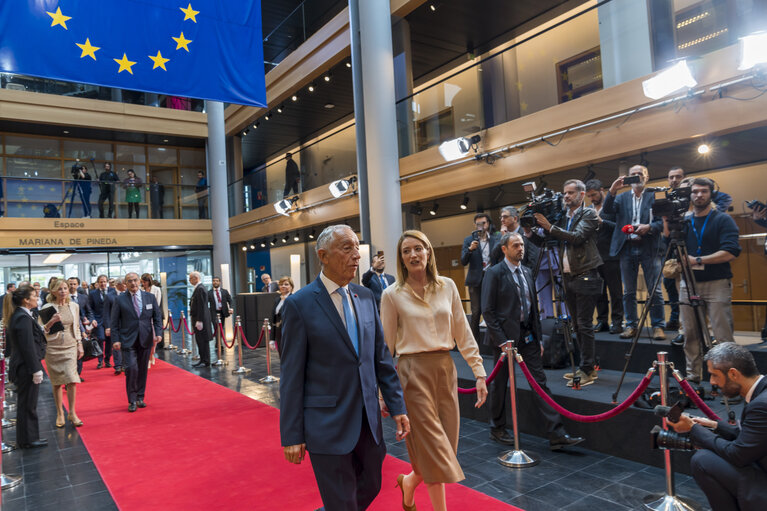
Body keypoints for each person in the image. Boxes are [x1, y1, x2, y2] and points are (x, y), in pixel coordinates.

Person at [280, 225, 409, 511]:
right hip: (326, 423)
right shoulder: (299, 305)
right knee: (342, 502)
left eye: (356, 248)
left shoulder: (365, 297)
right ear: (323, 256)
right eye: (346, 248)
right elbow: (291, 376)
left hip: (368, 420)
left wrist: (398, 407)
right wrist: (292, 435)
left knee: (372, 483)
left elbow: (381, 359)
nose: (356, 256)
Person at [380, 229, 486, 511]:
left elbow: (463, 333)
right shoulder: (391, 295)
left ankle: (410, 482)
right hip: (411, 373)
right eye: (406, 251)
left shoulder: (448, 286)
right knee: (436, 451)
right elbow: (385, 348)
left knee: (446, 448)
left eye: (418, 248)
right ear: (401, 259)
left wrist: (479, 372)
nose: (413, 254)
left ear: (428, 252)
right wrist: (382, 392)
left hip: (445, 370)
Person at [482, 232, 585, 448]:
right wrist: (501, 342)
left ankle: (556, 434)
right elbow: (488, 311)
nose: (521, 248)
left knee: (540, 384)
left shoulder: (528, 272)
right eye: (516, 245)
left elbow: (533, 312)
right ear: (504, 249)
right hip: (504, 341)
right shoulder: (494, 273)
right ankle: (497, 428)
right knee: (499, 385)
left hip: (528, 338)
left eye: (522, 245)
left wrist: (538, 339)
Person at [668, 343, 767, 510]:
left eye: (714, 375)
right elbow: (756, 436)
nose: (712, 382)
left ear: (733, 374)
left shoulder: (760, 405)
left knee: (702, 460)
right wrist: (715, 425)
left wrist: (693, 428)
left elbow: (738, 454)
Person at [662, 177, 740, 385]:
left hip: (717, 283)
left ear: (710, 194)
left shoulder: (722, 219)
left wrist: (696, 259)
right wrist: (665, 220)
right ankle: (693, 380)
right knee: (690, 335)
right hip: (688, 283)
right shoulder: (685, 221)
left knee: (723, 336)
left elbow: (731, 251)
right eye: (695, 191)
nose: (698, 195)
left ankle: (730, 383)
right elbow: (669, 243)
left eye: (703, 191)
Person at [532, 179, 603, 387]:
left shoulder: (588, 214)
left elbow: (578, 237)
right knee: (577, 325)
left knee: (584, 324)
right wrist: (531, 231)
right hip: (570, 277)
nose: (566, 196)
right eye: (565, 193)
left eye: (571, 193)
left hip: (586, 274)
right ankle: (585, 367)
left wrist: (550, 226)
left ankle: (588, 369)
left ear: (581, 195)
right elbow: (549, 239)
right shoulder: (564, 217)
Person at [603, 165, 666, 340]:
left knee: (655, 290)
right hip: (627, 247)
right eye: (633, 174)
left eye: (640, 174)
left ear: (647, 177)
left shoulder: (654, 195)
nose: (637, 176)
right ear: (627, 178)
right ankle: (631, 325)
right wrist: (612, 190)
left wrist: (650, 227)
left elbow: (662, 222)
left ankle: (658, 326)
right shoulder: (621, 198)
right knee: (628, 292)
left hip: (649, 247)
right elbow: (607, 211)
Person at [110, 272, 162, 412]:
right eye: (129, 281)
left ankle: (140, 397)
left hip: (145, 338)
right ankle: (131, 400)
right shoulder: (120, 299)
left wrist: (158, 333)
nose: (132, 283)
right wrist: (115, 340)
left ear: (139, 281)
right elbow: (114, 322)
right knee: (132, 369)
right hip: (127, 340)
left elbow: (157, 317)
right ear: (125, 284)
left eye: (134, 280)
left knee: (143, 369)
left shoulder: (150, 297)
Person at [5, 285, 47, 448]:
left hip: (25, 365)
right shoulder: (22, 317)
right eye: (35, 296)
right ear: (26, 300)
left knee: (28, 403)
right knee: (28, 404)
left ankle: (29, 438)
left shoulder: (22, 314)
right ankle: (28, 439)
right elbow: (27, 346)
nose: (37, 298)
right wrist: (36, 369)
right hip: (26, 367)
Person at [41, 280, 84, 428]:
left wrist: (79, 344)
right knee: (57, 382)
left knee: (72, 379)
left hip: (70, 345)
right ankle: (60, 413)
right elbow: (43, 330)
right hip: (53, 347)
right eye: (59, 289)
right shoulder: (47, 308)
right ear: (52, 291)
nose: (63, 291)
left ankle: (72, 412)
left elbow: (77, 327)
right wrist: (51, 321)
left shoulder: (74, 306)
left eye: (65, 288)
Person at [585, 179, 624, 334]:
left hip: (611, 255)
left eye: (594, 194)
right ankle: (602, 321)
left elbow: (620, 228)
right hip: (594, 256)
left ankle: (617, 322)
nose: (592, 198)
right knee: (598, 292)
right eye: (589, 196)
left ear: (602, 190)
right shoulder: (588, 209)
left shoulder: (612, 207)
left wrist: (603, 222)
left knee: (615, 292)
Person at [461, 213, 500, 343]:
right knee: (476, 311)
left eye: (483, 223)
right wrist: (470, 249)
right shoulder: (468, 240)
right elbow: (463, 261)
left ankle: (494, 341)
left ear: (488, 224)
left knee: (492, 310)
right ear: (475, 225)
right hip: (475, 279)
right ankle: (474, 343)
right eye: (478, 224)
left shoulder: (495, 238)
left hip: (492, 278)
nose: (481, 226)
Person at [189, 271, 212, 367]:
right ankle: (203, 359)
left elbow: (202, 306)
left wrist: (199, 320)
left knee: (203, 340)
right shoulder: (198, 288)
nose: (189, 280)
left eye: (190, 278)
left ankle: (205, 360)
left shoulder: (200, 289)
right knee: (200, 340)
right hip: (198, 318)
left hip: (200, 319)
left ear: (196, 278)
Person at [88, 275, 112, 369]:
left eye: (104, 281)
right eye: (101, 282)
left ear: (107, 282)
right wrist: (92, 319)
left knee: (109, 341)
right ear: (97, 283)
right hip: (98, 320)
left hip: (110, 320)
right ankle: (100, 360)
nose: (103, 284)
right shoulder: (93, 293)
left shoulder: (112, 292)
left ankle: (107, 360)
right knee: (101, 339)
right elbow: (90, 308)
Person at [103, 277, 126, 374]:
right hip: (114, 325)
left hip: (126, 324)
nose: (126, 286)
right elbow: (106, 312)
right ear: (118, 285)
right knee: (116, 345)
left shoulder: (127, 294)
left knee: (125, 345)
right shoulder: (109, 296)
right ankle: (117, 366)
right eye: (124, 284)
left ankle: (125, 365)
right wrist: (108, 326)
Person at [269, 276, 293, 353]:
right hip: (279, 333)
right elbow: (274, 320)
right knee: (282, 356)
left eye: (286, 284)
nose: (283, 286)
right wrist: (272, 339)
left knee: (290, 357)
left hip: (290, 334)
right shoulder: (277, 299)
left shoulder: (294, 299)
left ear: (291, 287)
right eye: (281, 284)